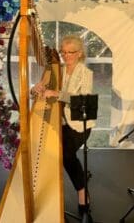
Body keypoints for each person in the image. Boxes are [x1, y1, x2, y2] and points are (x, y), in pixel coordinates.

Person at [32, 34, 94, 215]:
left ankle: (83, 194)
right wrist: (36, 89)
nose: (66, 56)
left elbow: (83, 99)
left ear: (80, 53)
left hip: (79, 124)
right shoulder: (56, 70)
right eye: (63, 52)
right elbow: (37, 92)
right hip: (60, 123)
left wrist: (56, 93)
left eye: (70, 52)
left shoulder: (86, 73)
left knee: (66, 154)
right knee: (55, 153)